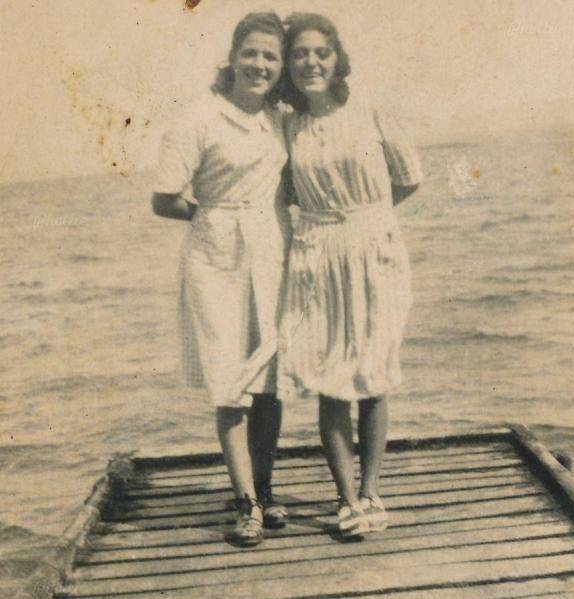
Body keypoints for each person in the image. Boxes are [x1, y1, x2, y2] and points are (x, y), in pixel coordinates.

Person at [278, 13, 422, 537]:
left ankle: (371, 491)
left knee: (374, 373)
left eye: (321, 52)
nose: (311, 63)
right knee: (331, 379)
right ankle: (345, 499)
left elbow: (408, 178)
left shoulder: (371, 110)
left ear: (337, 58)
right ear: (288, 65)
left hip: (374, 249)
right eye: (299, 54)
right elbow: (282, 192)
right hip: (317, 252)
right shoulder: (287, 125)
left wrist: (368, 222)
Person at [152, 12, 291, 548]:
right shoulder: (199, 118)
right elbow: (165, 198)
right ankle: (245, 501)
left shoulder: (280, 118)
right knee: (231, 383)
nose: (259, 64)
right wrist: (213, 217)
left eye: (270, 56)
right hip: (217, 260)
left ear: (280, 66)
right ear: (232, 57)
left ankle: (266, 487)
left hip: (273, 254)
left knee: (270, 382)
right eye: (250, 53)